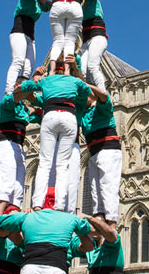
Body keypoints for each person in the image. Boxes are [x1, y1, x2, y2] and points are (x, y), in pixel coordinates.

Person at [15, 70, 101, 211]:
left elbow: (89, 95)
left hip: (71, 145)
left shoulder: (77, 98)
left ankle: (65, 214)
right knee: (50, 181)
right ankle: (43, 208)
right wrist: (35, 79)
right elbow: (30, 97)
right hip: (53, 143)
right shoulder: (50, 95)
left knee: (70, 186)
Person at [81, 95, 122, 233]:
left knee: (108, 186)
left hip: (108, 149)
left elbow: (103, 95)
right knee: (95, 189)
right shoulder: (83, 112)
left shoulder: (102, 106)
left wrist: (85, 84)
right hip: (93, 153)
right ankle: (99, 219)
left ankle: (111, 224)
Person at [37, 0, 88, 73]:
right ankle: (67, 71)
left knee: (57, 41)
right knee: (69, 41)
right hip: (74, 9)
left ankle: (51, 71)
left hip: (58, 7)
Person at [0, 93, 34, 217]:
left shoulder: (23, 110)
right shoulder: (8, 102)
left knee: (18, 185)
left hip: (18, 146)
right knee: (7, 182)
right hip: (6, 144)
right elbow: (13, 98)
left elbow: (31, 111)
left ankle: (14, 212)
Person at [5, 0, 49, 95]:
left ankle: (21, 92)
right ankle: (9, 91)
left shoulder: (39, 3)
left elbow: (50, 6)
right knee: (18, 61)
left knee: (28, 67)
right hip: (19, 32)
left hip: (30, 37)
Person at [79, 0, 108, 91]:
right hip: (86, 40)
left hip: (97, 37)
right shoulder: (80, 5)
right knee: (82, 70)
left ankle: (104, 96)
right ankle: (90, 94)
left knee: (93, 66)